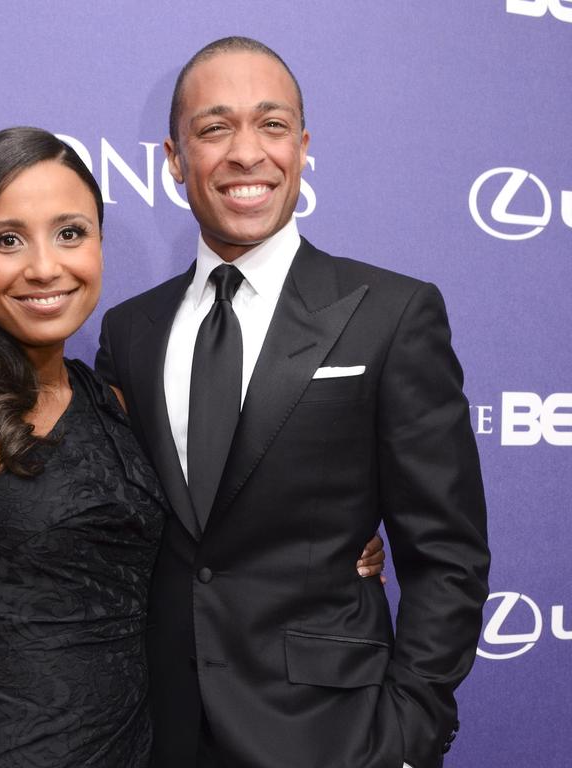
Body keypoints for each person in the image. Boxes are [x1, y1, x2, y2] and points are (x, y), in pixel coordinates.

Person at [0, 126, 384, 767]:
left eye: (70, 233)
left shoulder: (112, 397)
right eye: (7, 240)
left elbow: (205, 533)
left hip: (150, 746)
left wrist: (330, 541)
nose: (44, 266)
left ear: (99, 245)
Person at [95, 37, 490, 768]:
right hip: (163, 733)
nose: (247, 154)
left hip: (334, 734)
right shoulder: (130, 331)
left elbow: (447, 554)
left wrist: (409, 732)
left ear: (303, 147)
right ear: (174, 159)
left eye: (272, 125)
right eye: (215, 129)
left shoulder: (391, 313)